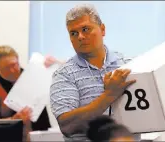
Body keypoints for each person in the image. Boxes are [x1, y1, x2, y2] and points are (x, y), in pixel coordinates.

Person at [50, 3, 136, 141]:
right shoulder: (64, 74)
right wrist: (109, 95)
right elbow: (67, 126)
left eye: (85, 29)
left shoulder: (129, 64)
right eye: (73, 33)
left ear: (102, 29)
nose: (80, 37)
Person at [0, 45, 60, 140]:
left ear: (18, 61)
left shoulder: (31, 75)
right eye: (6, 68)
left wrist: (55, 63)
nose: (12, 70)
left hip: (40, 134)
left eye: (14, 65)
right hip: (13, 137)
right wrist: (14, 119)